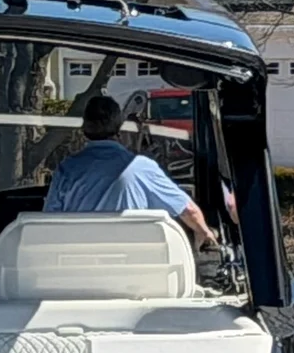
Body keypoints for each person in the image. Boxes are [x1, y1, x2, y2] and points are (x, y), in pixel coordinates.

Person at [43, 93, 215, 251]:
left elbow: (49, 221)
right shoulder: (141, 167)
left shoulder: (67, 168)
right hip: (132, 268)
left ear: (84, 129)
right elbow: (189, 211)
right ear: (119, 127)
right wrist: (205, 233)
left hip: (77, 265)